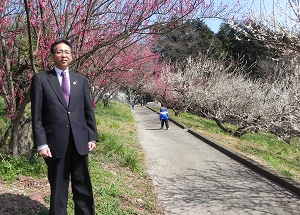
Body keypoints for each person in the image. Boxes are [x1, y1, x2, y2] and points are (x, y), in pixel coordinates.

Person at [30, 38, 98, 215]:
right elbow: (36, 115)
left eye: (67, 52)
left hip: (80, 140)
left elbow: (88, 111)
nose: (63, 55)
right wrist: (41, 143)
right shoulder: (41, 79)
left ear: (72, 56)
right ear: (52, 55)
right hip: (55, 142)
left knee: (82, 183)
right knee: (59, 186)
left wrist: (91, 136)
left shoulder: (80, 80)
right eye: (59, 52)